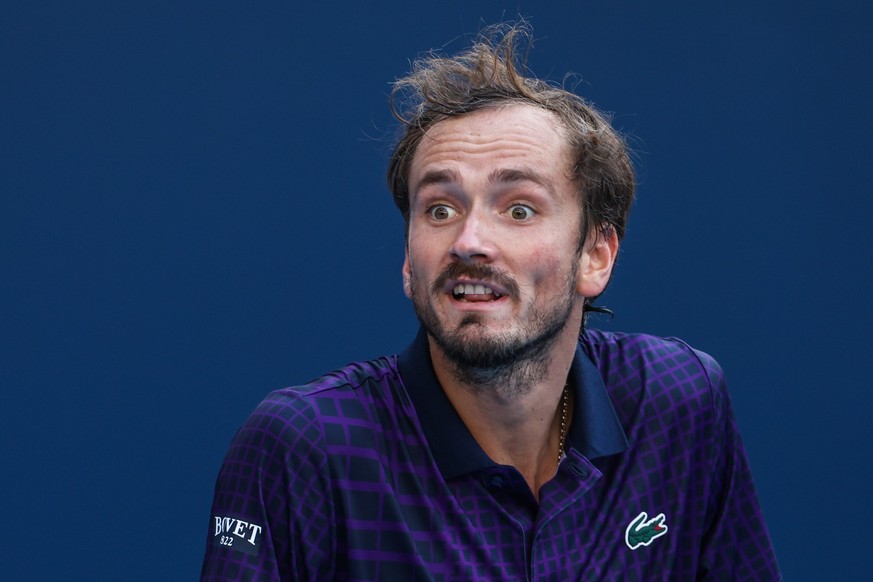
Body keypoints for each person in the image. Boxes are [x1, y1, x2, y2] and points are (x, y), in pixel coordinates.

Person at [201, 24, 780, 580]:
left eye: (519, 209)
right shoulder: (303, 447)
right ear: (409, 261)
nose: (469, 241)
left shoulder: (680, 403)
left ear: (596, 256)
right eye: (440, 209)